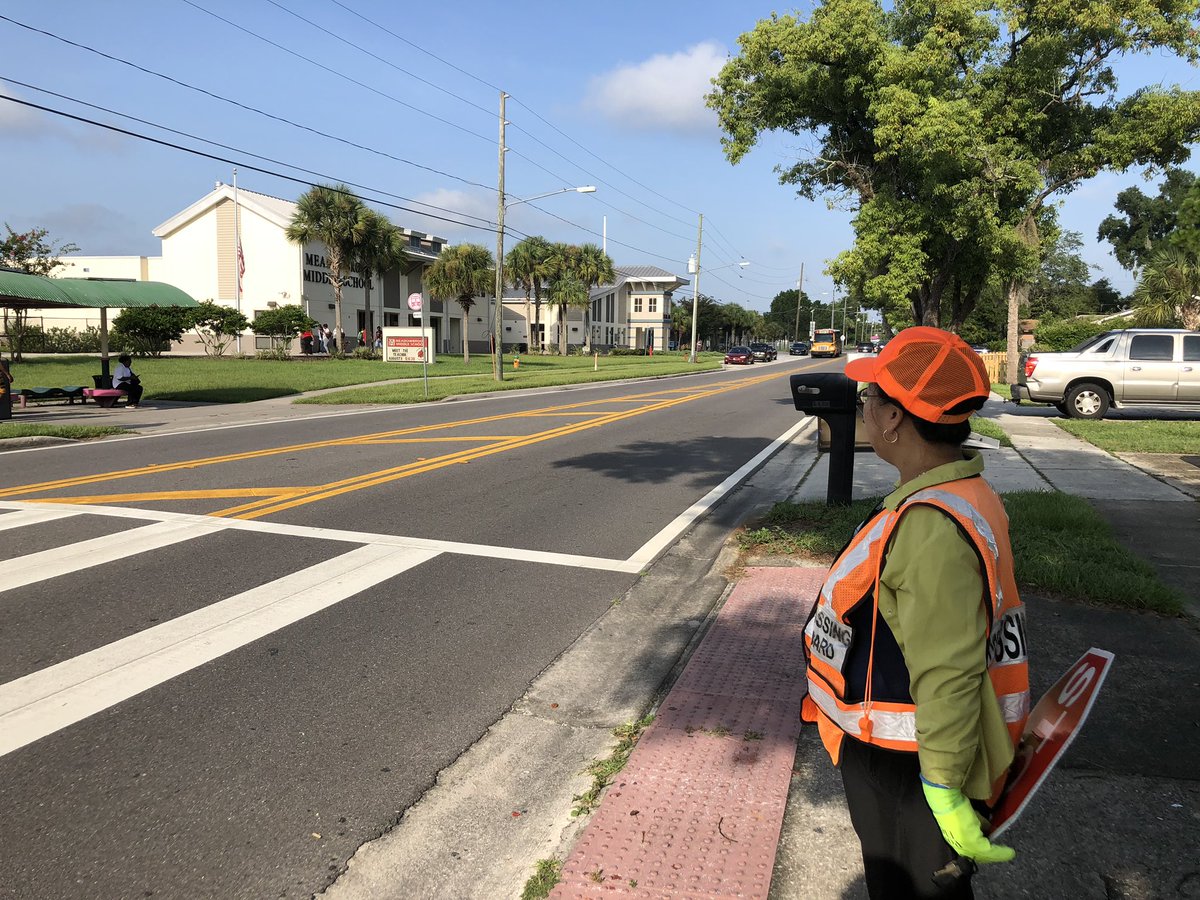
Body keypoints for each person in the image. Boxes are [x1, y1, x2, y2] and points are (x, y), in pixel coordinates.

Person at [801, 327, 1029, 900]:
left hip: (909, 769)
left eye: (871, 397)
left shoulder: (930, 526)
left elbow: (947, 670)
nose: (865, 408)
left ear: (897, 419)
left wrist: (944, 787)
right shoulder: (963, 494)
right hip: (908, 758)